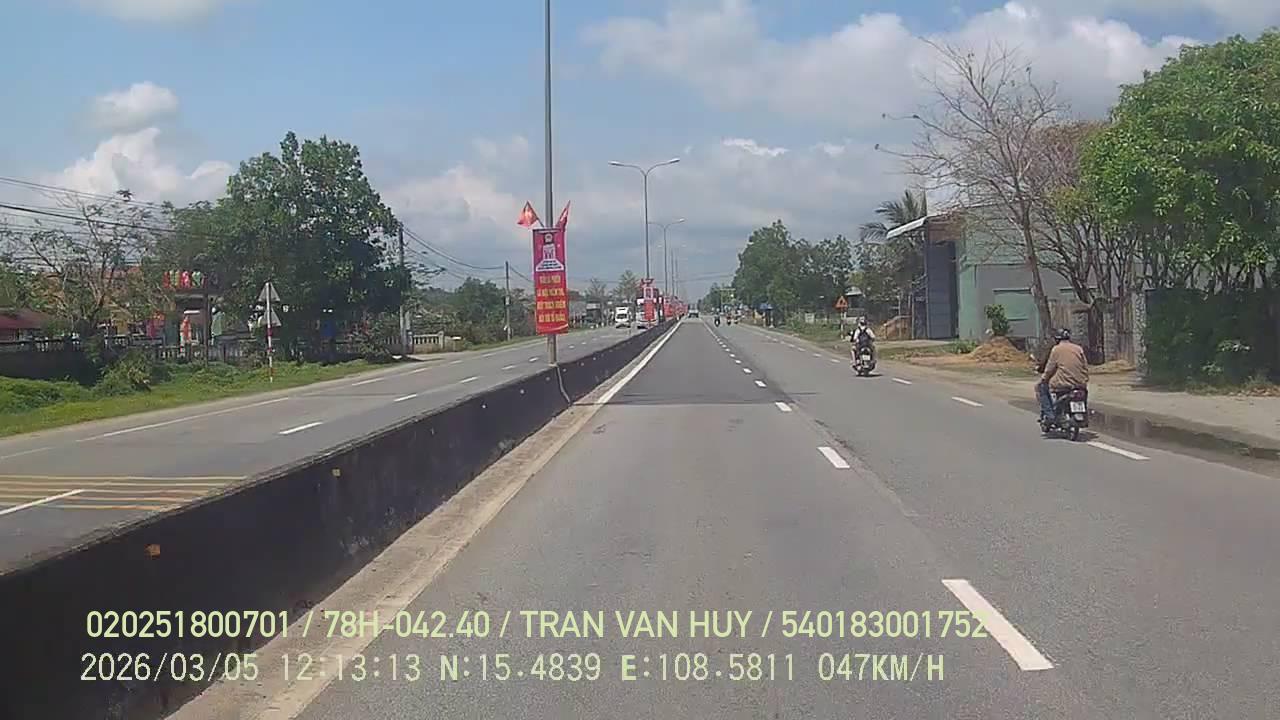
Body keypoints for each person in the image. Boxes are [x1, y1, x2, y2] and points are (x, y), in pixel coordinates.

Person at [1037, 328, 1089, 424]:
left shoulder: (1056, 349)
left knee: (1041, 387)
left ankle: (1050, 416)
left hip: (1062, 383)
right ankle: (1084, 414)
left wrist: (1044, 378)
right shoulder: (1078, 349)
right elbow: (1085, 367)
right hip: (1079, 383)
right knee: (1083, 394)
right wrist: (1084, 380)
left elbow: (1049, 368)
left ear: (1057, 339)